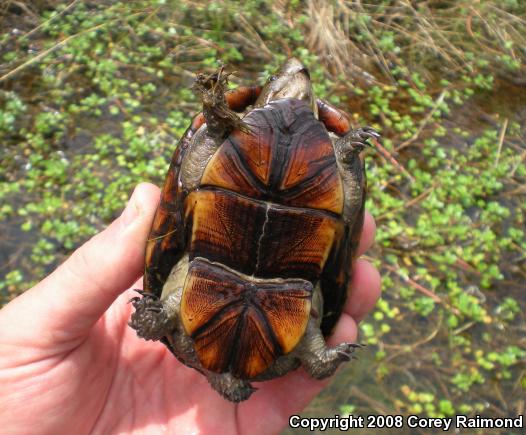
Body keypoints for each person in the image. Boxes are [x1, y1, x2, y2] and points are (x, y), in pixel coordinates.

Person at [0, 183, 381, 434]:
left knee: (176, 308)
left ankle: (171, 315)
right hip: (284, 285)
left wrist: (159, 318)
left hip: (213, 273)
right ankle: (306, 353)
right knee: (301, 335)